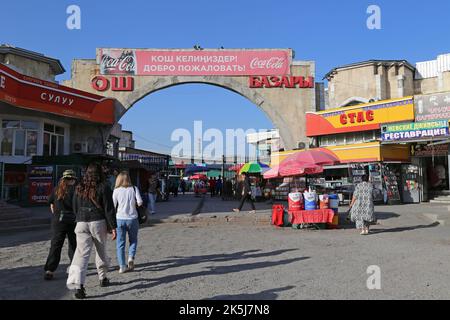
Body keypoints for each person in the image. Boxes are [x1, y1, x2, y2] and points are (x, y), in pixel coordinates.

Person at [66, 163, 117, 299]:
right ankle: (102, 277)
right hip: (98, 222)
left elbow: (75, 206)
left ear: (86, 173)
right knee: (101, 251)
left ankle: (78, 286)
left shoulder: (79, 187)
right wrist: (113, 227)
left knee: (81, 256)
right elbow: (109, 209)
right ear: (100, 173)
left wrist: (80, 218)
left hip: (81, 223)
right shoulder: (103, 187)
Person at [44, 170, 78, 281]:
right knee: (73, 245)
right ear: (72, 179)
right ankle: (74, 269)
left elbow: (51, 204)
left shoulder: (56, 190)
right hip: (73, 221)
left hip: (58, 221)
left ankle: (50, 270)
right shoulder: (76, 190)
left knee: (56, 245)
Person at [112, 171, 143, 274]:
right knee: (133, 240)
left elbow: (113, 206)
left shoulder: (116, 191)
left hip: (119, 219)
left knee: (120, 244)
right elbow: (140, 202)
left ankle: (122, 266)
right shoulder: (134, 188)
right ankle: (130, 257)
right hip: (133, 218)